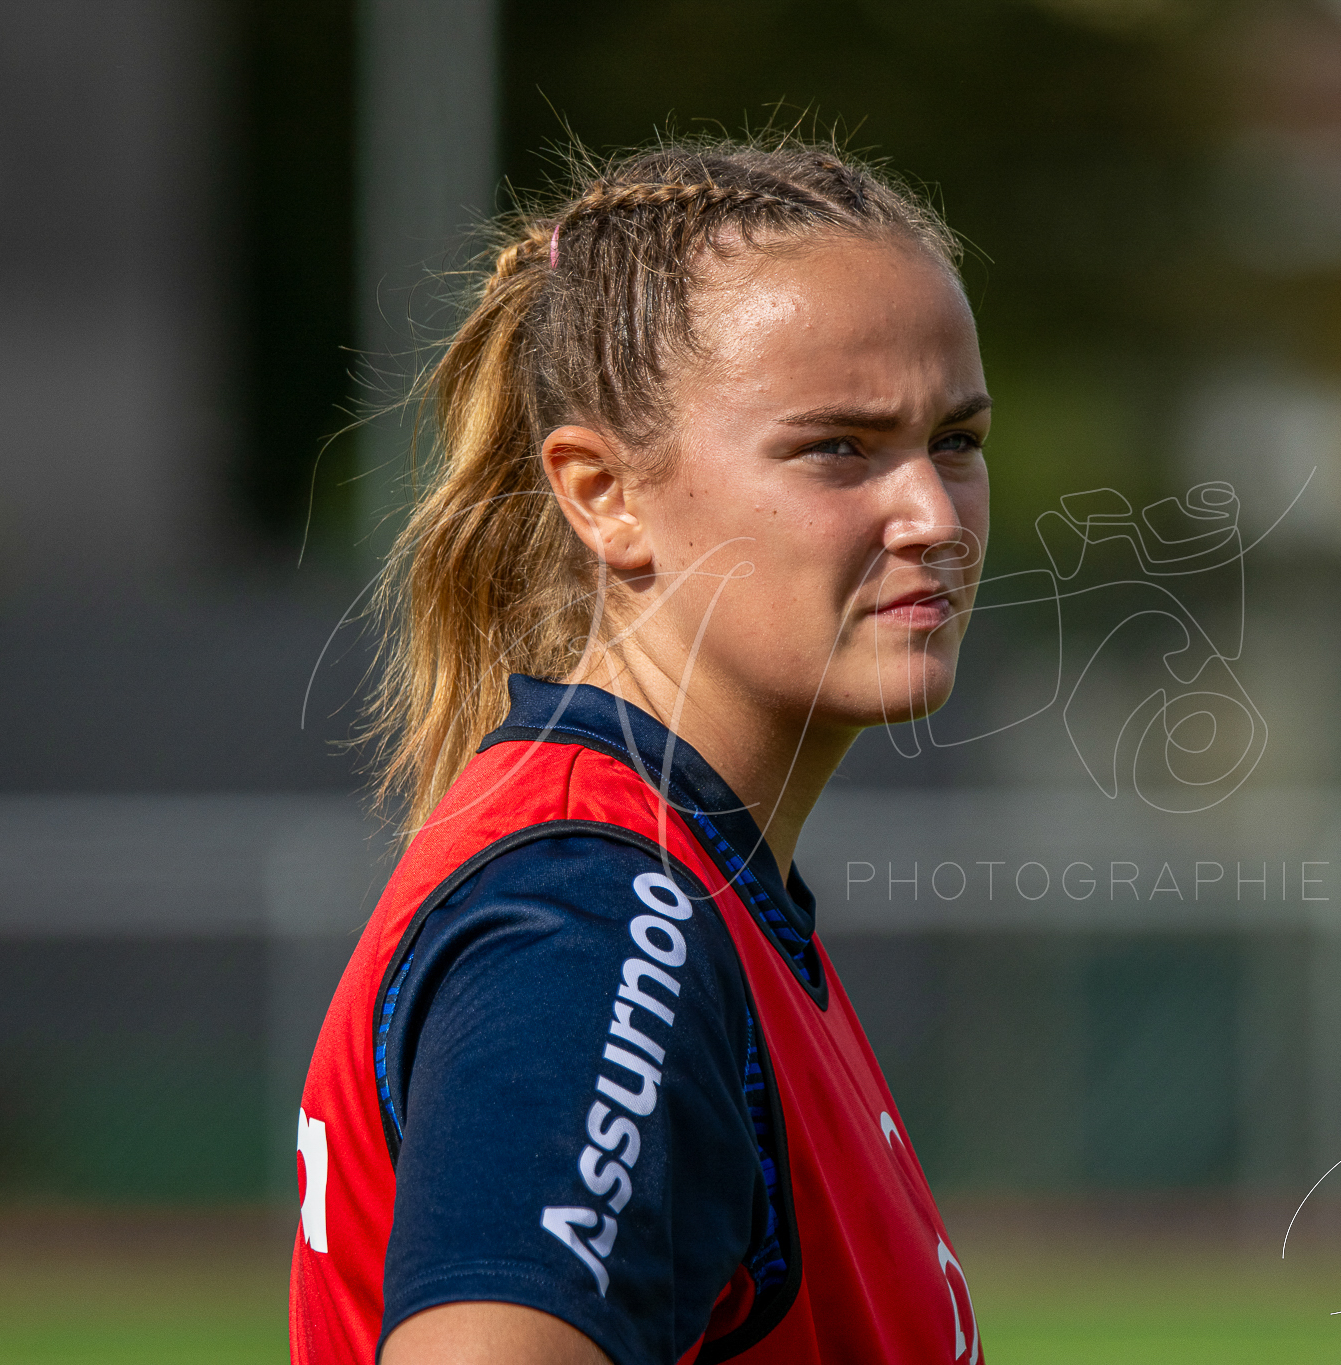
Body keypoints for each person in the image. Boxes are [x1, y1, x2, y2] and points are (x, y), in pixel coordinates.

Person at [289, 137, 992, 1365]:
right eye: (837, 447)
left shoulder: (683, 878)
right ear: (603, 494)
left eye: (956, 441)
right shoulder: (603, 915)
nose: (931, 513)